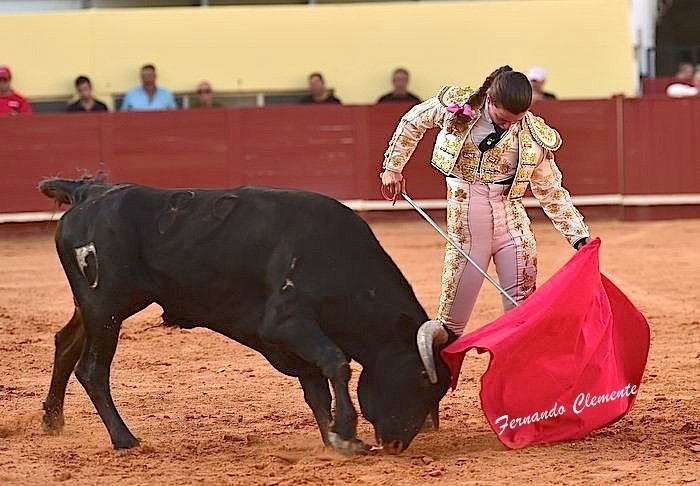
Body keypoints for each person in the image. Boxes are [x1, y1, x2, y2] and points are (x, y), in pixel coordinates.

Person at [380, 65, 590, 340]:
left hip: (513, 228)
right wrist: (393, 167)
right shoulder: (458, 107)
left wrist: (578, 236)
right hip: (467, 231)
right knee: (450, 326)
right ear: (489, 99)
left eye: (516, 120)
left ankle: (518, 368)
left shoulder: (532, 135)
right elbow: (413, 121)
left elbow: (551, 190)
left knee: (523, 316)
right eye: (502, 119)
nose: (508, 126)